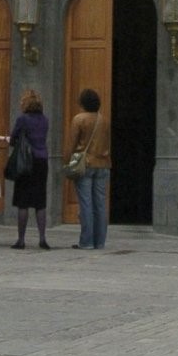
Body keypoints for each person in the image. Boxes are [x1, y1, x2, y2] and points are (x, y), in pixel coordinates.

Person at [65, 87, 111, 250]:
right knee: (100, 204)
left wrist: (67, 162)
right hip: (103, 164)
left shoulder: (79, 119)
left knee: (86, 204)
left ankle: (86, 241)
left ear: (82, 103)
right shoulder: (104, 120)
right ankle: (100, 242)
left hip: (85, 165)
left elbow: (71, 144)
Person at [7, 88, 51, 250]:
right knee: (40, 202)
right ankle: (42, 237)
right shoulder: (45, 120)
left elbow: (13, 140)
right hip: (42, 161)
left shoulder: (22, 119)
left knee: (23, 201)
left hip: (26, 161)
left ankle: (21, 239)